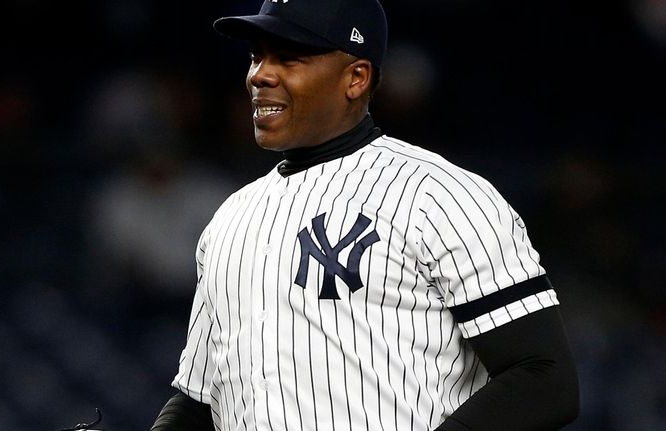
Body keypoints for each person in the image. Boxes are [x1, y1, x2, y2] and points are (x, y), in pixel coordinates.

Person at [150, 0, 580, 430]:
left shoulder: (437, 195)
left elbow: (543, 377)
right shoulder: (230, 219)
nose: (260, 75)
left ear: (355, 78)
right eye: (256, 56)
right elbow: (199, 400)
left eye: (289, 57)